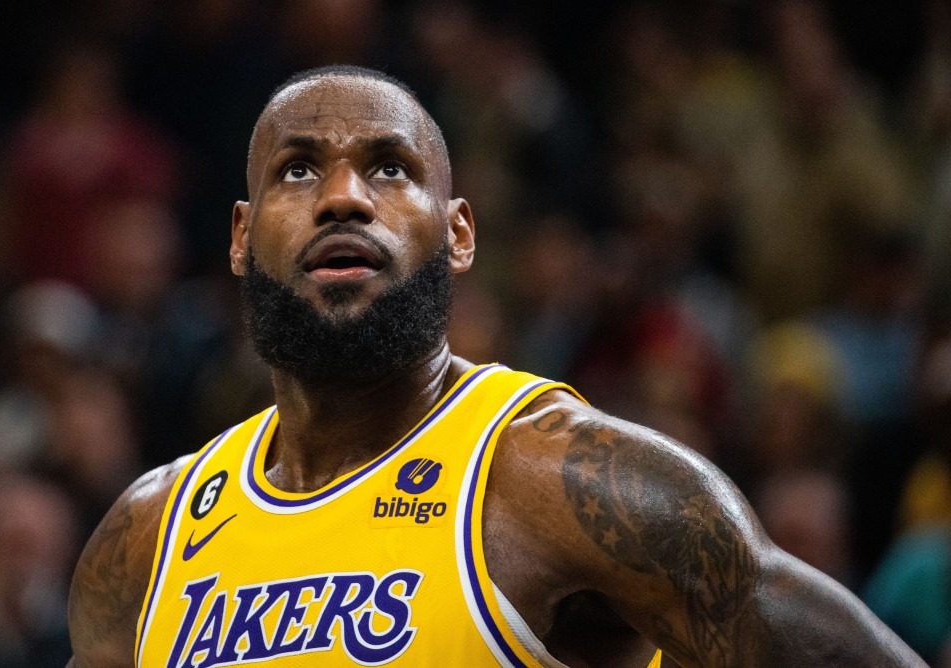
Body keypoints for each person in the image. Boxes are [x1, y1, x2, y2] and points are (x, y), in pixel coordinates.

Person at [66, 65, 925, 667]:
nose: (344, 197)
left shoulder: (560, 480)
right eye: (299, 169)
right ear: (242, 237)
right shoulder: (147, 538)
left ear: (460, 234)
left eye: (389, 168)